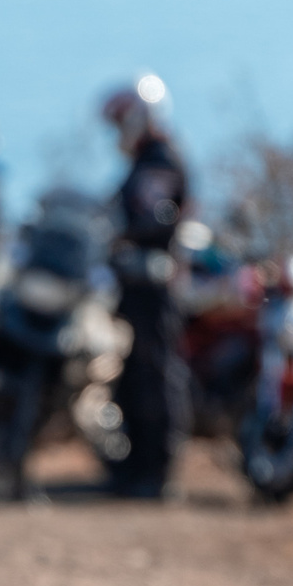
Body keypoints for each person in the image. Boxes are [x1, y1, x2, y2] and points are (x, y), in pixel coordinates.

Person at [100, 73, 191, 499]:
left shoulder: (161, 162)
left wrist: (124, 236)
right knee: (131, 375)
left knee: (154, 374)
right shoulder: (141, 163)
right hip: (130, 286)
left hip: (153, 290)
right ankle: (131, 467)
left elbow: (156, 221)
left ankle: (156, 471)